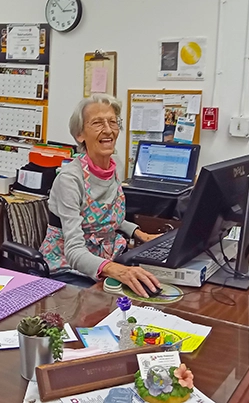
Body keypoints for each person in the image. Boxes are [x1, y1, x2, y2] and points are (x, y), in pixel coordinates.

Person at [39, 94, 162, 297]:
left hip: (108, 259)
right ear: (80, 134)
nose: (108, 130)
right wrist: (119, 270)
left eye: (112, 122)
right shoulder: (70, 179)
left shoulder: (114, 166)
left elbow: (106, 214)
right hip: (69, 269)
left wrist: (140, 234)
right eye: (97, 123)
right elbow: (74, 252)